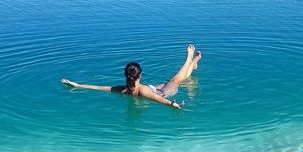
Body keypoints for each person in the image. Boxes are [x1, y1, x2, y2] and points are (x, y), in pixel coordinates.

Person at [61, 44, 202, 109]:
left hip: (153, 89)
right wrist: (173, 104)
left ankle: (193, 63)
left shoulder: (125, 89)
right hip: (163, 93)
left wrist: (77, 85)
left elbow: (99, 87)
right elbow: (159, 100)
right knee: (175, 80)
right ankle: (189, 58)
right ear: (140, 74)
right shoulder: (143, 91)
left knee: (176, 80)